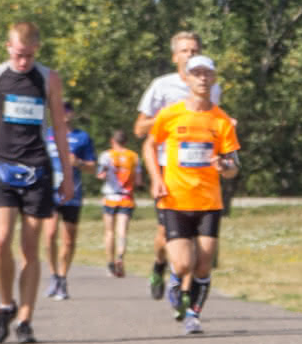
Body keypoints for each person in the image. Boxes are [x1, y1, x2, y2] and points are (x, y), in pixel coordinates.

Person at [0, 22, 76, 344]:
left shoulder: (48, 78)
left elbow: (60, 130)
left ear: (36, 49)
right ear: (8, 47)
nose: (23, 62)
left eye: (29, 55)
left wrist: (67, 175)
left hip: (37, 169)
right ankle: (5, 303)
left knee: (30, 248)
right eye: (18, 54)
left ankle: (25, 319)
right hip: (1, 167)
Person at [142, 54, 239, 335]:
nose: (202, 79)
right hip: (175, 199)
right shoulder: (171, 114)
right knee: (184, 264)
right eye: (196, 73)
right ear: (186, 78)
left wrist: (225, 166)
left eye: (207, 74)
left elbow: (234, 166)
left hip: (209, 201)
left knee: (204, 263)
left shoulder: (221, 121)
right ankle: (173, 279)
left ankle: (194, 315)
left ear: (214, 78)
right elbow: (150, 145)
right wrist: (155, 178)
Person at [134, 31, 222, 301]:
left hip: (201, 171)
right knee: (165, 236)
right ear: (175, 57)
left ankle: (185, 294)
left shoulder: (211, 86)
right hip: (166, 167)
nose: (190, 55)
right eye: (184, 51)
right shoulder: (162, 86)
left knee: (198, 241)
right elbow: (139, 129)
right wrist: (170, 116)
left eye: (194, 50)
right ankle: (160, 264)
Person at [44, 100, 97, 301]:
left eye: (68, 109)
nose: (64, 112)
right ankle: (53, 275)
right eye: (60, 108)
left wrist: (80, 163)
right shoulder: (46, 135)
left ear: (72, 113)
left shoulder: (82, 137)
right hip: (50, 192)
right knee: (49, 234)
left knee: (68, 239)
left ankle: (63, 276)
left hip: (72, 194)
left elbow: (93, 167)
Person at [97, 129, 141, 277]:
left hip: (110, 196)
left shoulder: (106, 155)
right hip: (126, 197)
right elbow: (139, 181)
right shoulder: (134, 156)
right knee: (122, 231)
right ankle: (120, 257)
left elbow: (100, 175)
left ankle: (110, 261)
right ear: (126, 141)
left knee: (109, 232)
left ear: (112, 141)